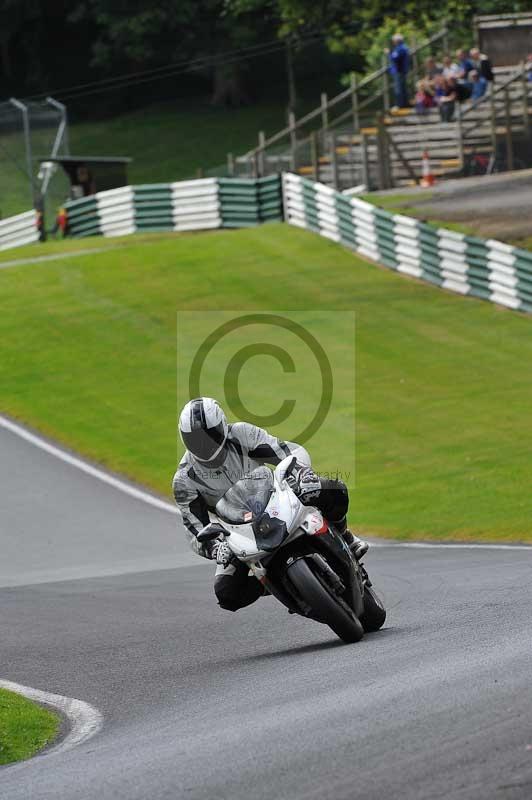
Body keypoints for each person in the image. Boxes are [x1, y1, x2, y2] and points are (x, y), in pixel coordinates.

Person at [172, 397, 368, 612]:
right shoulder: (184, 479)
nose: (204, 445)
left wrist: (301, 473)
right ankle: (278, 584)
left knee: (333, 489)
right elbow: (194, 529)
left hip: (275, 499)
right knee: (227, 594)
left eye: (210, 436)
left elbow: (286, 451)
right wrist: (215, 547)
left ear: (222, 426)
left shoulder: (241, 434)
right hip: (238, 531)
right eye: (194, 440)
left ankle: (346, 537)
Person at [388, 33, 410, 109]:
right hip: (401, 71)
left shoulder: (400, 48)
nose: (393, 42)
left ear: (397, 41)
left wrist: (389, 53)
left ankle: (400, 105)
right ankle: (404, 103)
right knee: (402, 88)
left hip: (399, 71)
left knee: (399, 89)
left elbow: (395, 58)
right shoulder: (403, 47)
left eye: (394, 41)